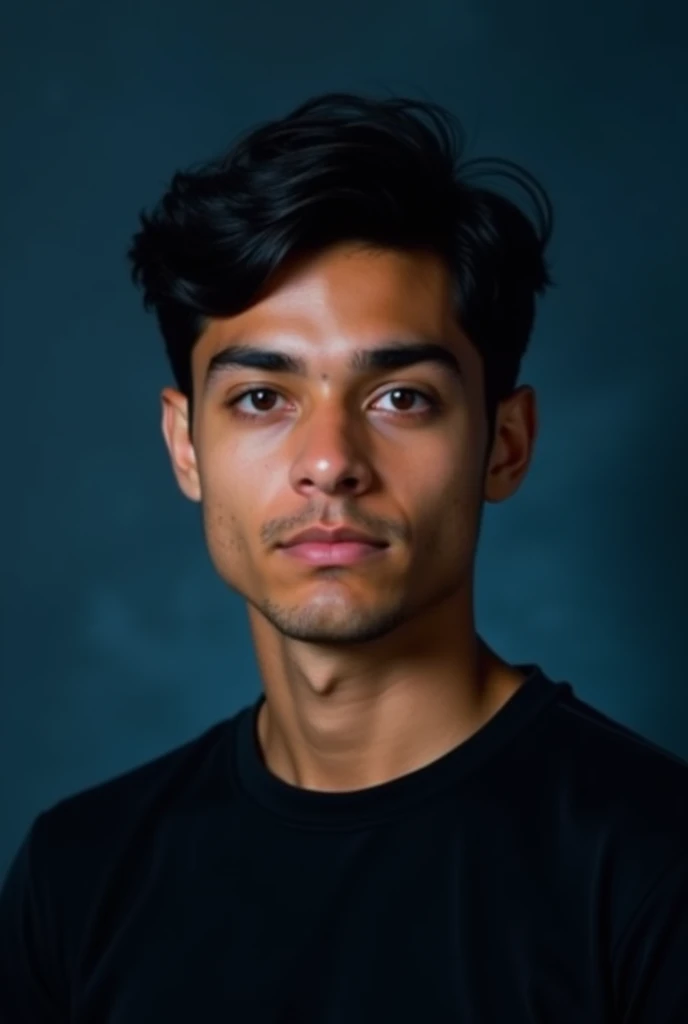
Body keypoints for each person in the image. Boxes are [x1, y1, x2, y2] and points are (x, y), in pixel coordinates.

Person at [1, 91, 686, 1024]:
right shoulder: (76, 877)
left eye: (401, 397)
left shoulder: (653, 867)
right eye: (260, 399)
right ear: (184, 445)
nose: (329, 462)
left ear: (505, 444)